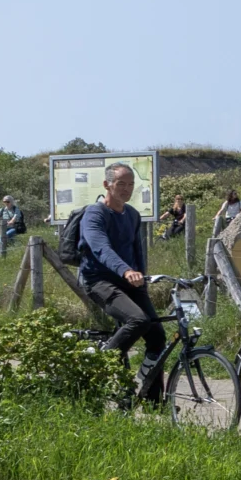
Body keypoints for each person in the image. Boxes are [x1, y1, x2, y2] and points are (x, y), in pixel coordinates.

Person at [74, 163, 167, 403]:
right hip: (99, 280)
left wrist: (141, 279)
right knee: (137, 320)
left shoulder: (133, 215)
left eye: (131, 184)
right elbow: (101, 248)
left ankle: (151, 400)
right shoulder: (94, 215)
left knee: (157, 335)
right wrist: (125, 271)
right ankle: (104, 362)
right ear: (107, 185)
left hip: (129, 280)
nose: (127, 189)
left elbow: (137, 252)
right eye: (121, 184)